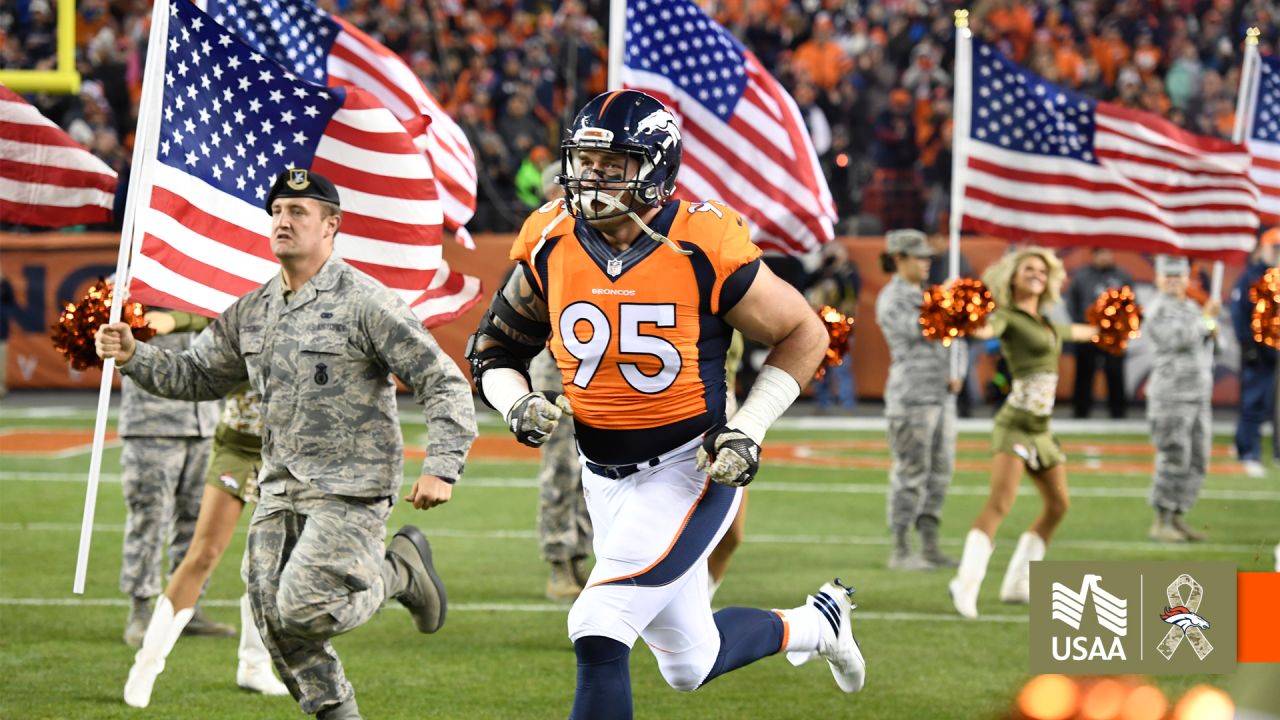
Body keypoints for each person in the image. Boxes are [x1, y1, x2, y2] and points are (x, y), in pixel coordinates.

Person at [465, 90, 865, 718]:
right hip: (602, 477)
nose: (590, 178)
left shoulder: (701, 239)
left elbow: (805, 332)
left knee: (598, 624)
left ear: (655, 168)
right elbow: (493, 348)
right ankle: (818, 625)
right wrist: (516, 403)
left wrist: (748, 428)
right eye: (584, 162)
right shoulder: (549, 236)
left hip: (690, 468)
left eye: (611, 165)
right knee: (689, 663)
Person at [96, 169, 478, 720]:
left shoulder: (365, 301)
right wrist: (134, 356)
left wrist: (442, 465)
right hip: (278, 487)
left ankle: (399, 573)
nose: (283, 220)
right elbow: (197, 375)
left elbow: (440, 379)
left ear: (332, 226)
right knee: (273, 618)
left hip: (349, 487)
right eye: (278, 210)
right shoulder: (253, 310)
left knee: (303, 608)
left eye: (299, 212)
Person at [122, 316, 290, 706]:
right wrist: (168, 319)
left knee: (270, 561)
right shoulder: (250, 300)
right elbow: (208, 309)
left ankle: (254, 665)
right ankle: (146, 664)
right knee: (203, 552)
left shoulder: (321, 303)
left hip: (287, 450)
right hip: (237, 445)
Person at [949, 247, 1098, 619]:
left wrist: (1112, 329)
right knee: (1000, 503)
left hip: (1042, 430)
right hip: (1015, 423)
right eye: (1028, 269)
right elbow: (986, 330)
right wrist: (964, 318)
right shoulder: (1008, 318)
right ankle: (965, 584)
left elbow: (1077, 331)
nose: (1036, 274)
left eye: (1042, 271)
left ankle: (1018, 583)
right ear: (1013, 277)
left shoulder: (1045, 323)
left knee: (1059, 505)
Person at [117, 311, 232, 647]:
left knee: (198, 521)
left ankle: (186, 607)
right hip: (152, 424)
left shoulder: (202, 284)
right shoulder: (126, 286)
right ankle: (140, 610)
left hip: (205, 424)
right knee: (148, 518)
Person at [875, 229, 964, 570]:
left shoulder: (930, 296)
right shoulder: (893, 298)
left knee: (940, 472)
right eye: (920, 257)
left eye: (929, 256)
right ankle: (900, 548)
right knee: (912, 472)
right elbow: (921, 328)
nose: (927, 262)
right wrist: (952, 307)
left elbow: (957, 340)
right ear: (899, 259)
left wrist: (959, 370)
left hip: (943, 397)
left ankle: (929, 545)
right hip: (912, 397)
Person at [529, 164, 595, 602]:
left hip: (596, 367)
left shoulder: (600, 238)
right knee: (560, 465)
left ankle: (582, 555)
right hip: (555, 363)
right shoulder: (540, 242)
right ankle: (558, 559)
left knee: (595, 465)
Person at [1144, 255, 1217, 542]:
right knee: (1175, 457)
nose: (1174, 281)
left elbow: (1208, 342)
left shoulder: (1191, 307)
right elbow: (1178, 339)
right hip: (1172, 396)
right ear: (1158, 278)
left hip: (1199, 395)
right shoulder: (1158, 309)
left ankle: (1177, 515)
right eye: (1168, 275)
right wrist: (1207, 319)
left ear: (1188, 279)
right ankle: (1161, 520)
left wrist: (1211, 327)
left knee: (1198, 460)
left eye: (1179, 276)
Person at [1229, 229, 1280, 478]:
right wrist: (1246, 344)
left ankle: (1252, 447)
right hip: (1257, 350)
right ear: (1263, 248)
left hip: (1274, 351)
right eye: (1275, 248)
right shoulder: (1250, 277)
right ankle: (1248, 450)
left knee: (1268, 404)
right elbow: (1239, 312)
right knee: (1253, 403)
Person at [1066, 247, 1132, 419]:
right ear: (1093, 256)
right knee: (1084, 372)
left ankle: (1118, 413)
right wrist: (1080, 324)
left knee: (1115, 372)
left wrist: (1123, 329)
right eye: (1101, 253)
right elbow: (1071, 302)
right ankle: (1081, 412)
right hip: (1087, 332)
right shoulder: (1081, 276)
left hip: (1114, 334)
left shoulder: (1121, 276)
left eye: (1108, 253)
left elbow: (1131, 305)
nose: (1105, 257)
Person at [806, 241, 860, 413]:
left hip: (841, 325)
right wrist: (823, 268)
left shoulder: (849, 272)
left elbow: (850, 291)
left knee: (842, 367)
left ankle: (847, 404)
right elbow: (804, 283)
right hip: (821, 324)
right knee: (821, 367)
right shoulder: (822, 272)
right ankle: (823, 403)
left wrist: (836, 270)